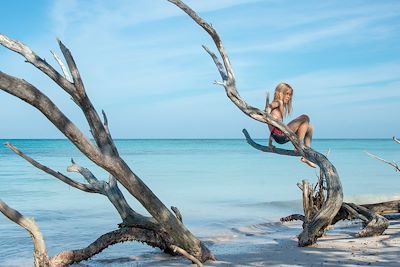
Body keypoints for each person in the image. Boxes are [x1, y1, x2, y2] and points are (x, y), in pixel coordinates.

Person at [267, 82, 316, 168]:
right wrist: (267, 111)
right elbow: (270, 106)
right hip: (281, 135)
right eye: (287, 94)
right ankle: (299, 147)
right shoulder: (278, 102)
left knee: (310, 128)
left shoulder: (280, 107)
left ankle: (307, 155)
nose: (288, 97)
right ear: (280, 93)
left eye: (290, 95)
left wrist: (270, 144)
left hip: (280, 136)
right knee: (305, 117)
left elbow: (272, 127)